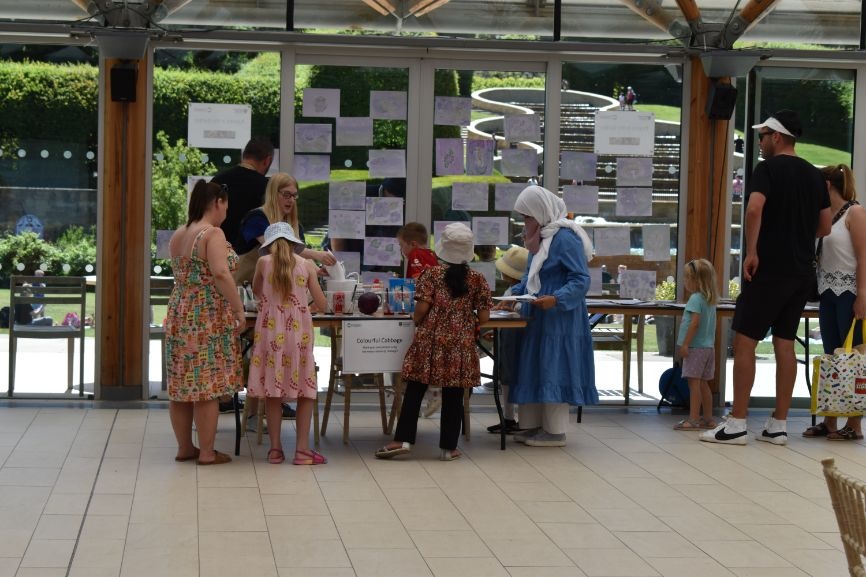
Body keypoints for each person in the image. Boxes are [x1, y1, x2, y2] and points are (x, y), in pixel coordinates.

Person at [701, 109, 831, 446]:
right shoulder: (815, 176)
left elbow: (755, 208)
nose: (759, 142)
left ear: (777, 136)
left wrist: (753, 251)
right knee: (785, 343)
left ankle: (738, 423)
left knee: (745, 341)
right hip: (801, 273)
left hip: (769, 268)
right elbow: (826, 226)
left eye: (762, 136)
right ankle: (779, 424)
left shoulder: (767, 169)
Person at [375, 222, 492, 461]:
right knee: (454, 394)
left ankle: (402, 440)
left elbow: (421, 309)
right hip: (460, 344)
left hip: (430, 340)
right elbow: (484, 316)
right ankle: (449, 447)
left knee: (416, 388)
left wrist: (418, 320)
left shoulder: (432, 275)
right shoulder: (478, 279)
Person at [234, 172, 337, 428]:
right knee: (261, 355)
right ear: (273, 193)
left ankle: (273, 406)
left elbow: (292, 261)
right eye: (286, 194)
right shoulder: (257, 218)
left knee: (275, 357)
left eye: (294, 195)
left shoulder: (294, 225)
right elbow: (277, 250)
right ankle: (255, 411)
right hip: (249, 296)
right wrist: (314, 258)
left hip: (277, 308)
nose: (291, 200)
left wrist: (311, 271)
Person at [507, 185, 598, 447]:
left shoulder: (564, 238)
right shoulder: (540, 239)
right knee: (536, 367)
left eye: (527, 217)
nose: (525, 223)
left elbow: (580, 280)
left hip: (559, 319)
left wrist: (557, 298)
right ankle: (532, 425)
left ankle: (555, 431)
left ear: (541, 213)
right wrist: (513, 295)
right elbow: (529, 277)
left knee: (553, 369)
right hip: (538, 316)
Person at [165, 180, 246, 466]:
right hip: (206, 314)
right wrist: (238, 310)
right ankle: (208, 452)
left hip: (180, 310)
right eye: (226, 205)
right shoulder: (212, 233)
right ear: (218, 203)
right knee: (207, 386)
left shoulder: (179, 233)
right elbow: (222, 274)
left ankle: (185, 447)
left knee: (181, 386)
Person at [247, 222, 329, 465]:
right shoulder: (306, 265)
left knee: (272, 389)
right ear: (294, 243)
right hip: (298, 335)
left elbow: (256, 291)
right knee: (305, 389)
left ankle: (275, 450)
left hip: (270, 334)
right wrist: (303, 306)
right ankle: (302, 450)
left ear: (268, 244)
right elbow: (323, 305)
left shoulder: (263, 263)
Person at [803, 164, 865, 441]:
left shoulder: (855, 213)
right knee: (831, 357)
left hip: (850, 292)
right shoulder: (826, 215)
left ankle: (854, 423)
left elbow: (864, 258)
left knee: (854, 358)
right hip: (828, 291)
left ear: (828, 184)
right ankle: (830, 420)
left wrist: (862, 295)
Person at [396, 222, 442, 418]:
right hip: (436, 313)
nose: (401, 251)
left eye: (401, 246)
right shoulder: (432, 255)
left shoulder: (416, 255)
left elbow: (418, 284)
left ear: (412, 244)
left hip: (424, 313)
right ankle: (428, 391)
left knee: (417, 355)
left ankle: (429, 392)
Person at [487, 244, 530, 434]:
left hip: (514, 339)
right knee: (507, 376)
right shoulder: (513, 291)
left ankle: (513, 417)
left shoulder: (517, 292)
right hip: (508, 336)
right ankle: (510, 417)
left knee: (510, 376)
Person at [672, 258, 719, 431]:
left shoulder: (695, 299)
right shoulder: (710, 299)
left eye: (686, 277)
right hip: (708, 348)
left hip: (695, 348)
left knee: (694, 385)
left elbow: (694, 323)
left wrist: (685, 344)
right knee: (704, 384)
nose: (684, 281)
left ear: (695, 280)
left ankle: (693, 419)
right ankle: (708, 418)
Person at [213, 136, 274, 243]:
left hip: (217, 247)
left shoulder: (217, 181)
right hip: (252, 255)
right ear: (267, 161)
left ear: (243, 156)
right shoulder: (267, 187)